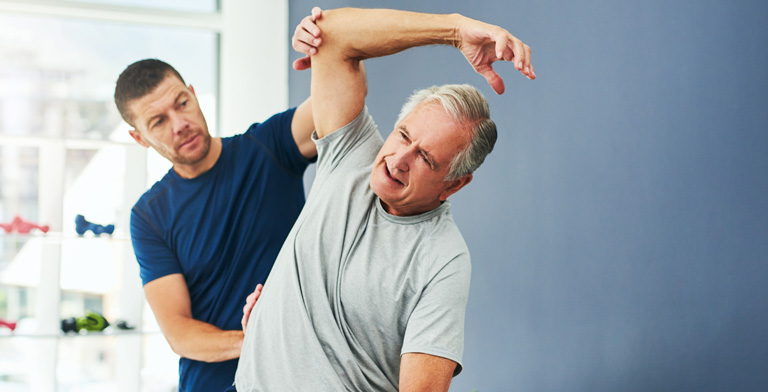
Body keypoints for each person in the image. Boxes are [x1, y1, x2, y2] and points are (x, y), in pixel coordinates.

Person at [233, 7, 534, 392]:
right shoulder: (352, 156)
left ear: (454, 185)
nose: (399, 160)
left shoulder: (444, 259)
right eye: (405, 136)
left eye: (425, 158)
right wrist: (455, 30)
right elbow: (333, 34)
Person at [113, 57, 318, 392]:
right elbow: (179, 332)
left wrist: (325, 47)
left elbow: (340, 101)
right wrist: (257, 340)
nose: (180, 124)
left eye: (182, 103)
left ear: (194, 95)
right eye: (159, 121)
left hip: (297, 377)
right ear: (141, 138)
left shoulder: (269, 146)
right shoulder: (150, 215)